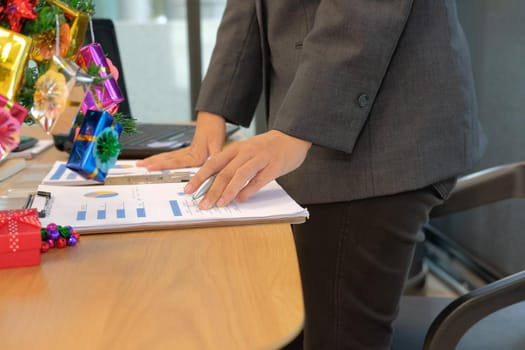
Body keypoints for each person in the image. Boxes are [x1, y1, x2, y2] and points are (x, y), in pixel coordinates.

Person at [137, 0, 486, 349]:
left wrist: (296, 132)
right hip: (311, 126)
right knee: (280, 321)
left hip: (381, 137)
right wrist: (214, 114)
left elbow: (363, 11)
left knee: (334, 337)